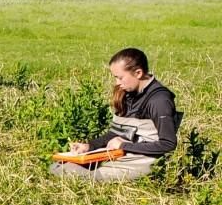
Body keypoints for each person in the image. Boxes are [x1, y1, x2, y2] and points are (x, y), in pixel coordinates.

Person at [50, 48, 179, 183]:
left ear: (138, 73)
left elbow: (168, 144)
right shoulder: (129, 92)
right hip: (121, 156)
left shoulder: (159, 100)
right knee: (59, 166)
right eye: (115, 77)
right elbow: (116, 133)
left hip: (142, 163)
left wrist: (123, 145)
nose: (117, 83)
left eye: (120, 77)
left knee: (69, 172)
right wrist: (89, 146)